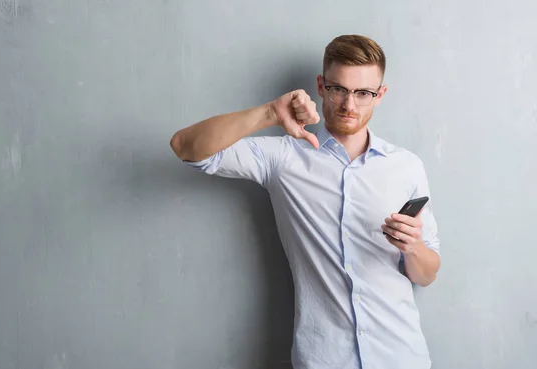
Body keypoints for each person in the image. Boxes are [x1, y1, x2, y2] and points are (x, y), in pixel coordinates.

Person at [170, 34, 441, 369]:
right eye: (339, 88)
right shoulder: (283, 157)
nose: (349, 105)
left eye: (363, 93)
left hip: (402, 358)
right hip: (325, 360)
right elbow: (186, 146)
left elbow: (427, 274)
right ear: (321, 85)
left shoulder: (406, 166)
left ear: (379, 95)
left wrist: (412, 247)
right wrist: (269, 113)